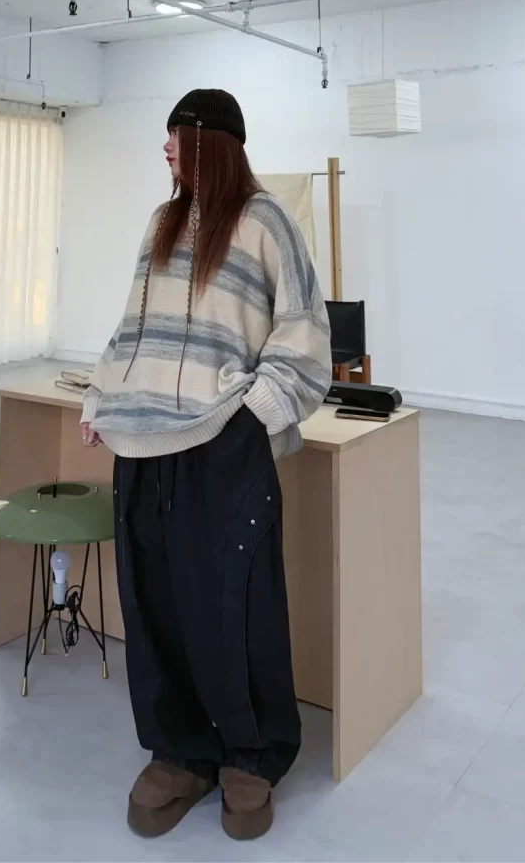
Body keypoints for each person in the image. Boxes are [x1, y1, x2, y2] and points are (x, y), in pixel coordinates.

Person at [80, 89, 333, 841]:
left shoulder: (266, 223)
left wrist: (256, 415)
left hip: (223, 440)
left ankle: (252, 756)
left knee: (235, 602)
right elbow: (132, 327)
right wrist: (101, 395)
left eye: (177, 138)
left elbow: (303, 329)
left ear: (213, 144)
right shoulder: (160, 223)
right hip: (142, 446)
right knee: (155, 602)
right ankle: (179, 751)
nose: (165, 150)